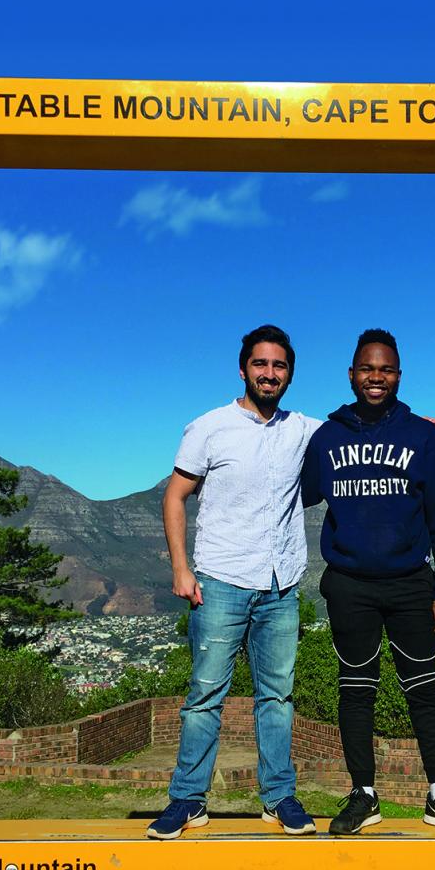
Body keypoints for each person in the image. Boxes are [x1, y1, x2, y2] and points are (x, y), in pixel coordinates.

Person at [301, 329, 435, 838]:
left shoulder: (423, 437)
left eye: (385, 370)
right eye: (367, 369)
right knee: (355, 689)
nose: (375, 377)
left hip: (411, 585)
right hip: (349, 586)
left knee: (425, 689)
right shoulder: (328, 437)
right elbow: (298, 489)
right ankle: (364, 795)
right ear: (351, 374)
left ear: (398, 376)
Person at [147, 324, 319, 839]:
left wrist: (419, 426)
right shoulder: (209, 427)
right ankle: (187, 800)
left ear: (290, 373)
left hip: (281, 584)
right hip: (220, 580)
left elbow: (361, 429)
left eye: (280, 365)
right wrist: (181, 568)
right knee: (204, 695)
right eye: (261, 364)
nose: (270, 373)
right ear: (243, 369)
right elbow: (174, 496)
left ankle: (279, 797)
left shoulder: (302, 429)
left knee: (278, 696)